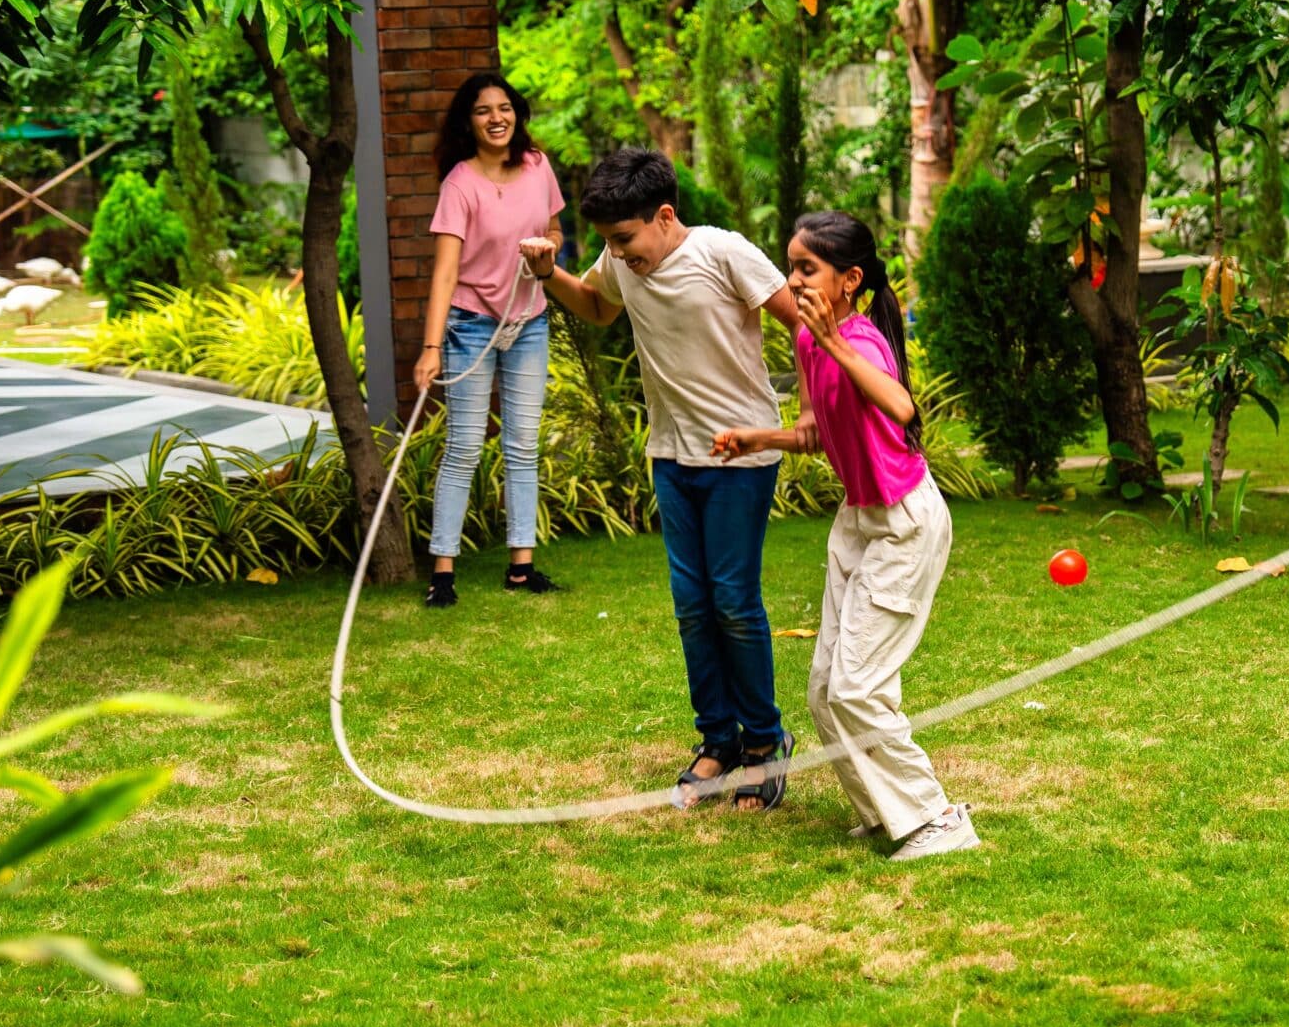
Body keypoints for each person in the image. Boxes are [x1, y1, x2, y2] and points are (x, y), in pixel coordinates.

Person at [521, 148, 802, 807]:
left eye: (624, 239)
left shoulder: (724, 253)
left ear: (665, 215)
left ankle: (764, 742)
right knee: (693, 607)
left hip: (741, 457)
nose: (617, 255)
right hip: (673, 456)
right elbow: (596, 307)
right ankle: (718, 740)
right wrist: (548, 275)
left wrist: (809, 414)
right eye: (610, 244)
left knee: (733, 601)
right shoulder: (623, 260)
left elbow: (801, 325)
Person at [711, 213, 980, 860]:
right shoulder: (810, 340)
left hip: (904, 523)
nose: (793, 279)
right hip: (857, 521)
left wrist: (835, 343)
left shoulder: (859, 340)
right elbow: (812, 430)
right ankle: (888, 814)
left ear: (850, 280)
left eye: (807, 268)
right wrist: (759, 437)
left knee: (857, 687)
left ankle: (938, 818)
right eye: (791, 266)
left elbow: (900, 405)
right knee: (826, 689)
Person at [412, 73, 565, 609]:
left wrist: (547, 251)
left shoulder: (537, 165)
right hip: (470, 325)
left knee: (523, 448)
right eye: (483, 111)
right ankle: (443, 573)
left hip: (529, 323)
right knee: (464, 449)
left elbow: (555, 230)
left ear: (516, 114)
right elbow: (444, 276)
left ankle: (522, 568)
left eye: (505, 108)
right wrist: (431, 349)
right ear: (469, 122)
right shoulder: (459, 183)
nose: (497, 118)